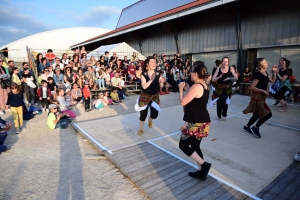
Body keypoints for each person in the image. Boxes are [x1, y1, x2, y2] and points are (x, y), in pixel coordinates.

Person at [178, 62, 212, 181]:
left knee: (183, 145)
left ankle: (204, 165)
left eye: (192, 71)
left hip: (195, 122)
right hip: (203, 121)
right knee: (195, 146)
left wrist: (181, 89)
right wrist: (188, 89)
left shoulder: (196, 86)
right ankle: (201, 172)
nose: (190, 73)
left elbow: (183, 102)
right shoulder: (205, 85)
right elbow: (196, 102)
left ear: (196, 74)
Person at [242, 58, 277, 138]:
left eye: (266, 61)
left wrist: (274, 72)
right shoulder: (258, 74)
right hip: (257, 97)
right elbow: (251, 87)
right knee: (268, 114)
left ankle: (247, 127)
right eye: (264, 62)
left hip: (262, 97)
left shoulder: (265, 73)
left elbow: (272, 80)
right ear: (259, 65)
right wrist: (263, 91)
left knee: (257, 114)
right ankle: (255, 128)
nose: (266, 62)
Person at [135, 56, 165, 135]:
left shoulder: (158, 73)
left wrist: (161, 82)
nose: (153, 64)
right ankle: (141, 128)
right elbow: (144, 86)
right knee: (143, 115)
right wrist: (151, 79)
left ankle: (150, 119)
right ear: (147, 64)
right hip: (145, 96)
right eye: (151, 62)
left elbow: (161, 87)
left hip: (154, 96)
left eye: (154, 62)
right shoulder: (143, 74)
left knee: (155, 115)